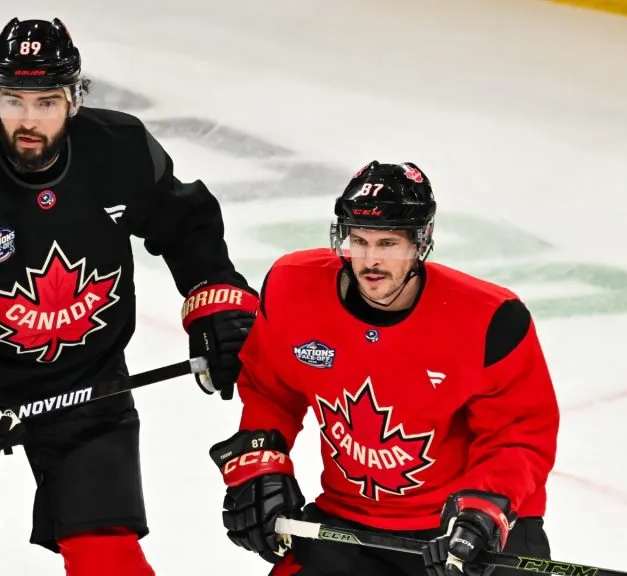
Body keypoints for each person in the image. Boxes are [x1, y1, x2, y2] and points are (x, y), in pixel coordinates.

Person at [0, 16, 258, 576]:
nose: (28, 120)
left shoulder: (120, 151)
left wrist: (215, 302)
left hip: (87, 385)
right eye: (13, 100)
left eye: (45, 102)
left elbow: (185, 224)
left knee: (110, 559)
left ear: (74, 99)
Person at [208, 161, 560, 576]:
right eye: (359, 241)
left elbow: (519, 433)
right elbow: (270, 390)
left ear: (420, 242)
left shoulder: (490, 319)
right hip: (348, 521)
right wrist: (261, 459)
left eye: (388, 244)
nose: (369, 260)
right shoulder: (292, 287)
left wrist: (483, 510)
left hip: (463, 531)